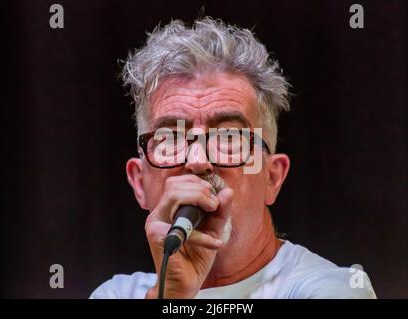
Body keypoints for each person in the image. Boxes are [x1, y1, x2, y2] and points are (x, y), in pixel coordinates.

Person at [90, 17, 376, 299]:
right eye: (171, 139)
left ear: (272, 177)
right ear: (139, 183)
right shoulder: (116, 294)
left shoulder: (330, 290)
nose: (198, 161)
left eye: (228, 138)